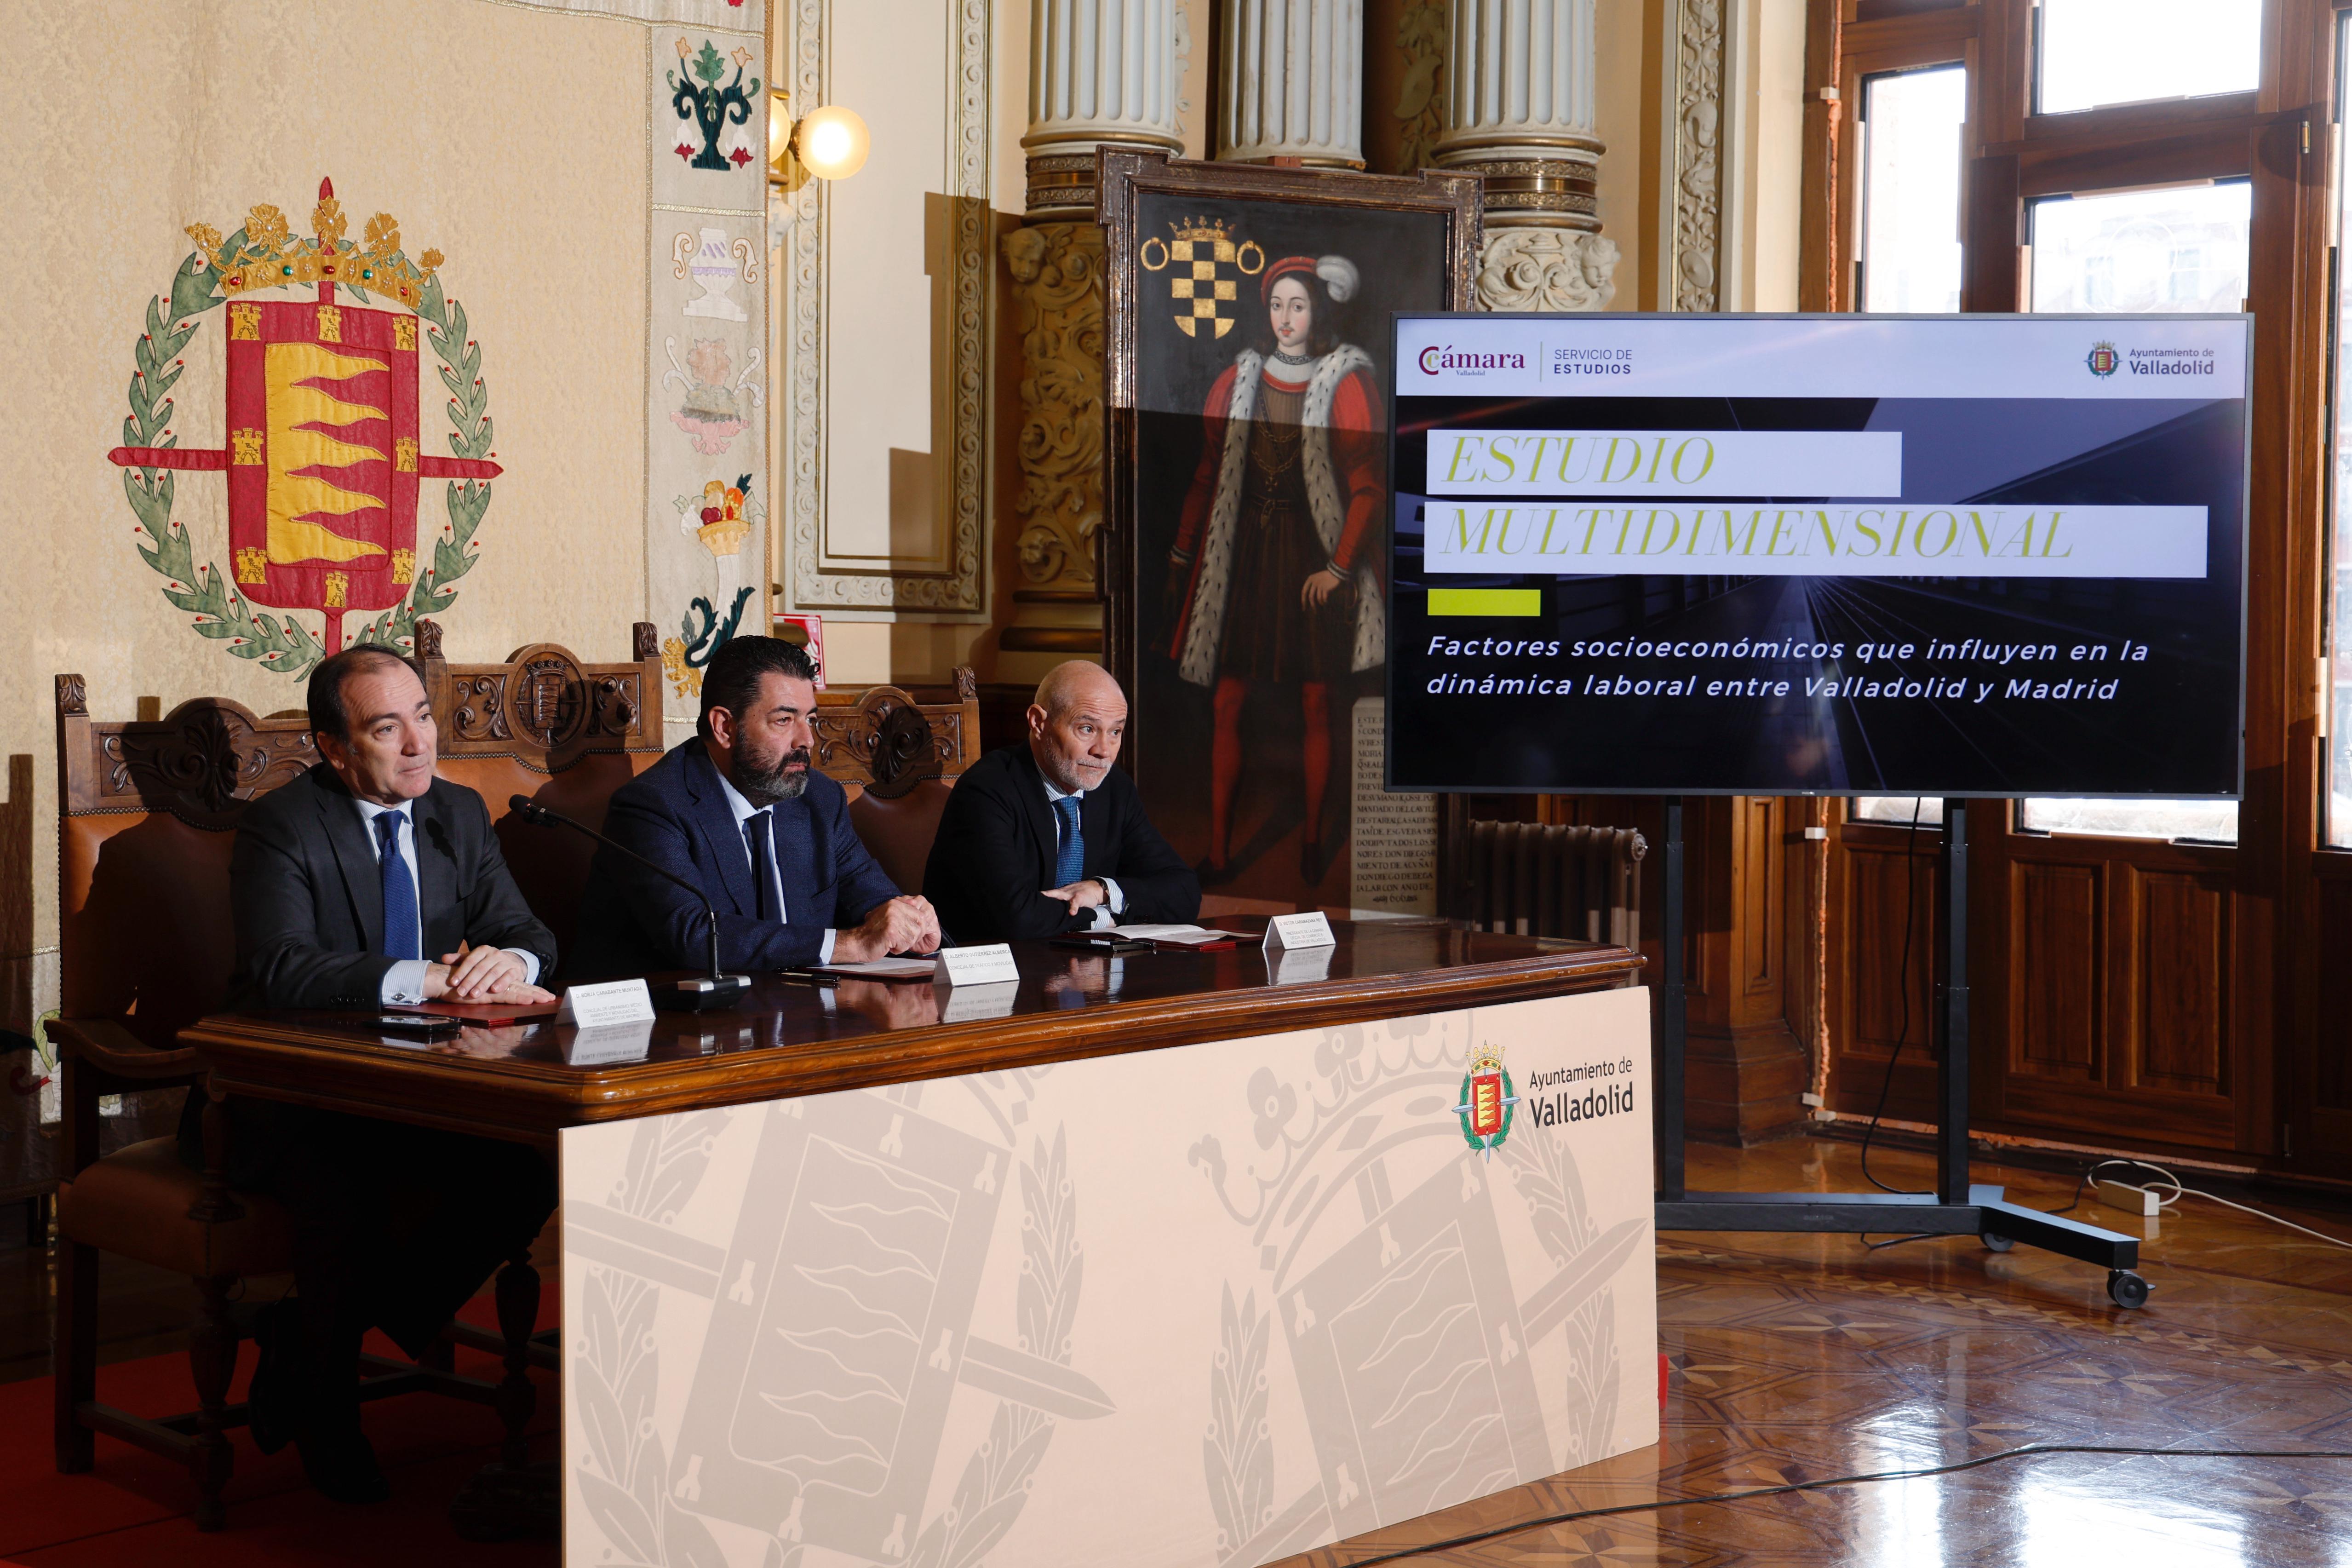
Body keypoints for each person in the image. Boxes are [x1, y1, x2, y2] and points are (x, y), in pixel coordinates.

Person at [197, 645, 560, 1504]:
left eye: (423, 717)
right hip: (284, 1096)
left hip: (422, 1089)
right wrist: (426, 976)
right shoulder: (283, 824)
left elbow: (527, 931)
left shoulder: (457, 814)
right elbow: (283, 966)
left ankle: (304, 1341)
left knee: (528, 1168)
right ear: (333, 747)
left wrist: (506, 961)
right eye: (387, 728)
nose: (419, 744)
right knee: (348, 1185)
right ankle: (329, 1410)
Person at [1165, 253, 1387, 887]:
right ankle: (1217, 852)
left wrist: (1338, 570)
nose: (1285, 317)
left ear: (1317, 311)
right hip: (1247, 557)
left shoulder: (1345, 382)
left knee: (1317, 702)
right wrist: (1182, 550)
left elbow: (1368, 488)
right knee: (1227, 702)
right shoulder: (1237, 381)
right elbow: (1207, 475)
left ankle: (1312, 842)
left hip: (1313, 557)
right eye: (1276, 305)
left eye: (1298, 305)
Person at [569, 635, 939, 977]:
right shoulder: (652, 806)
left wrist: (915, 928)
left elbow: (874, 901)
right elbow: (696, 936)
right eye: (784, 720)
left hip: (798, 1013)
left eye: (810, 719)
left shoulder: (819, 800)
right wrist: (850, 944)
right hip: (675, 1017)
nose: (807, 740)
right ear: (724, 728)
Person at [922, 660, 1199, 943]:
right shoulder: (986, 790)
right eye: (1087, 729)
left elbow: (1185, 893)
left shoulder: (1115, 790)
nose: (1104, 751)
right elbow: (1016, 918)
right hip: (990, 965)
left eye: (1115, 732)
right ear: (1038, 723)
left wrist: (1102, 891)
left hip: (1081, 965)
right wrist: (1104, 917)